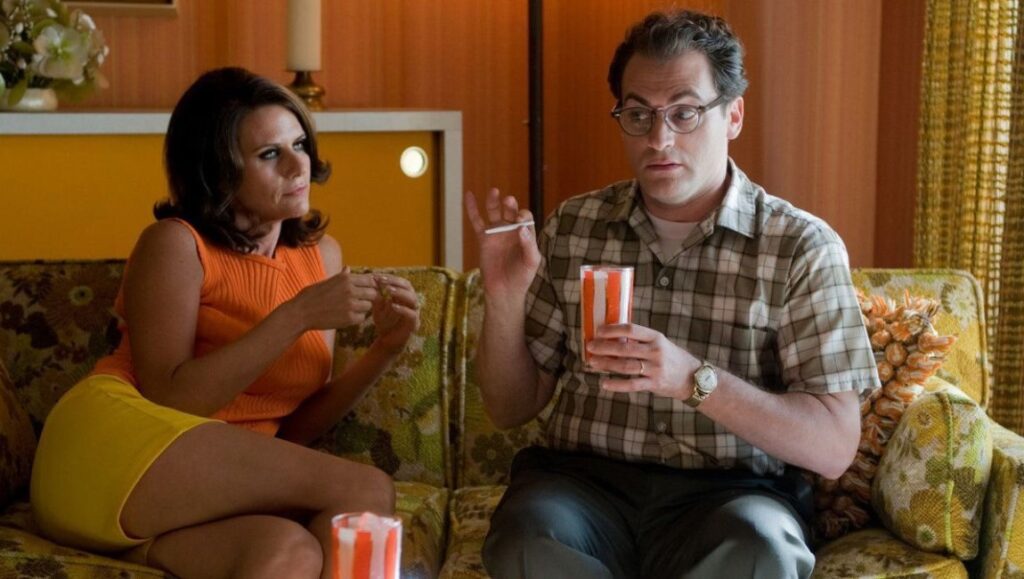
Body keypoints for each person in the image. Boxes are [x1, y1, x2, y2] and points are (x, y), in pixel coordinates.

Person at [463, 10, 880, 579]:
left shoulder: (799, 247)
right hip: (582, 489)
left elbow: (833, 446)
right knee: (524, 540)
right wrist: (504, 297)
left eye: (684, 113)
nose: (659, 139)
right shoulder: (575, 226)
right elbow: (510, 407)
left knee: (764, 549)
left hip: (732, 495)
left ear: (733, 116)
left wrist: (692, 379)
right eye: (639, 114)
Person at [30, 67, 420, 579]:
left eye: (299, 144)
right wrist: (298, 314)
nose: (298, 166)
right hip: (111, 449)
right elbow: (171, 398)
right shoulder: (175, 244)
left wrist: (384, 349)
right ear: (217, 171)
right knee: (366, 489)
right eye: (269, 154)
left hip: (190, 488)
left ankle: (143, 548)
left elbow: (290, 427)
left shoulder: (321, 256)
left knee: (287, 551)